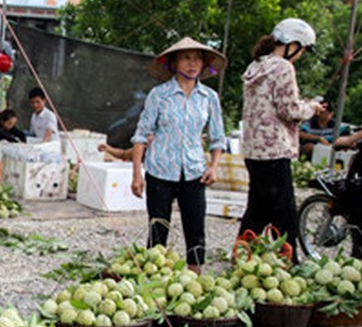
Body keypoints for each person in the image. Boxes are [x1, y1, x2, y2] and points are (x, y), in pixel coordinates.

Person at [130, 37, 227, 271]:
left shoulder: (209, 98)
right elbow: (142, 135)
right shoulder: (159, 95)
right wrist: (136, 175)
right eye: (185, 58)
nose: (192, 64)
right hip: (160, 170)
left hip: (194, 171)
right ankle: (153, 279)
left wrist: (213, 166)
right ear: (174, 63)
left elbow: (217, 137)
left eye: (197, 59)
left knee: (195, 228)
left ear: (204, 64)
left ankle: (195, 277)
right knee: (158, 228)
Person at [239, 18, 324, 250]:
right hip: (275, 150)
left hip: (253, 150)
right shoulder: (283, 67)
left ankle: (243, 253)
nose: (300, 55)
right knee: (284, 213)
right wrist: (311, 108)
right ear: (292, 43)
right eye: (302, 50)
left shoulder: (255, 66)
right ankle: (289, 261)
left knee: (258, 207)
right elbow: (289, 110)